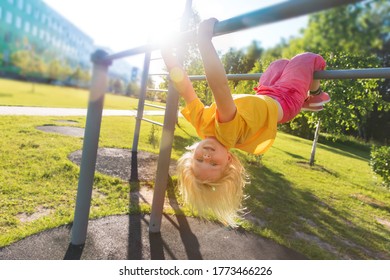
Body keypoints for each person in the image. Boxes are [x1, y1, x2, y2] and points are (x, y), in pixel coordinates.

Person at [162, 18, 330, 226]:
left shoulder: (201, 125)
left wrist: (167, 55)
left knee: (279, 64)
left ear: (191, 155)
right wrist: (203, 40)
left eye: (199, 160)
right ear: (230, 160)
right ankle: (315, 94)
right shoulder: (227, 132)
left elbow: (185, 88)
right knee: (307, 59)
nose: (206, 156)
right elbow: (220, 87)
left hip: (266, 93)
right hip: (286, 100)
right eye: (214, 163)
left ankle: (304, 100)